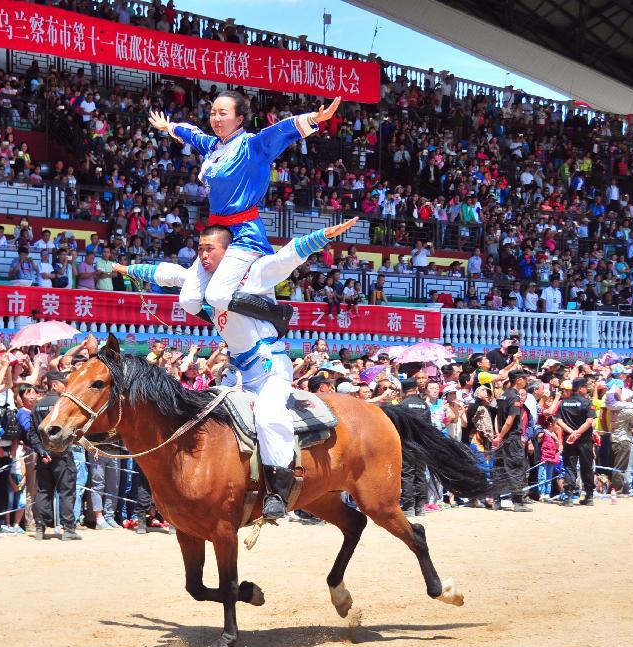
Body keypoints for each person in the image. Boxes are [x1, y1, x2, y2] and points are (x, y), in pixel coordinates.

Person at [119, 217, 359, 520]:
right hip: (236, 375)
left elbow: (286, 258)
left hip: (270, 369)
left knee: (270, 417)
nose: (203, 256)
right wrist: (130, 270)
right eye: (200, 250)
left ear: (229, 252)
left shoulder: (254, 274)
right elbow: (170, 274)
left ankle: (277, 492)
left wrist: (323, 235)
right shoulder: (204, 286)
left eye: (210, 249)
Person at [148, 93, 340, 332]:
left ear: (239, 119)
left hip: (243, 232)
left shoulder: (253, 146)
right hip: (217, 235)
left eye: (223, 113)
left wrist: (314, 118)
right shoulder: (213, 146)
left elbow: (280, 131)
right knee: (188, 301)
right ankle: (226, 328)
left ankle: (277, 313)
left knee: (217, 295)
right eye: (212, 113)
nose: (216, 118)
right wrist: (169, 126)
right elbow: (192, 135)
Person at [26, 371, 81, 540]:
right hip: (62, 454)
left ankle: (40, 529)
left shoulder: (37, 406)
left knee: (43, 491)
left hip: (43, 456)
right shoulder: (63, 404)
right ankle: (68, 529)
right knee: (66, 491)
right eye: (63, 383)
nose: (66, 386)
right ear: (54, 385)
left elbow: (33, 434)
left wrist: (41, 452)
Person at [492, 371, 531, 512]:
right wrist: (501, 436)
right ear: (519, 380)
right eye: (525, 379)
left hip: (502, 436)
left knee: (499, 468)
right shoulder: (514, 397)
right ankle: (518, 502)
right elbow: (510, 420)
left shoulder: (503, 395)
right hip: (511, 437)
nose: (526, 382)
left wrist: (498, 435)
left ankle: (496, 501)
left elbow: (497, 416)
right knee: (516, 467)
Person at [556, 378, 597, 506]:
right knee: (587, 467)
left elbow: (559, 421)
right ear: (580, 388)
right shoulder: (587, 403)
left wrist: (572, 433)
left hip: (569, 440)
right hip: (584, 440)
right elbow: (589, 421)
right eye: (586, 386)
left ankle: (568, 497)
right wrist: (578, 433)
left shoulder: (564, 402)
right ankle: (589, 496)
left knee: (569, 467)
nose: (587, 389)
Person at [396, 378, 430, 517]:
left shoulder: (402, 405)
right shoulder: (424, 405)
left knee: (407, 474)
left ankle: (409, 507)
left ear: (403, 390)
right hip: (421, 444)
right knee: (420, 475)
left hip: (407, 443)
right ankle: (420, 506)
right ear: (416, 388)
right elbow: (429, 426)